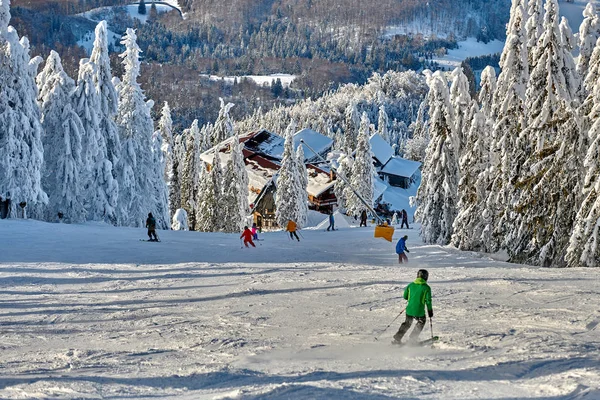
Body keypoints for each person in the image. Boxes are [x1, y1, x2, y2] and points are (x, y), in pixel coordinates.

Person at [393, 269, 433, 344]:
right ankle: (412, 339)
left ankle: (397, 339)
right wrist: (430, 311)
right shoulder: (426, 288)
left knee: (407, 323)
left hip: (409, 309)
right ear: (426, 277)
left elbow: (405, 296)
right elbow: (428, 301)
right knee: (421, 321)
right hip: (419, 311)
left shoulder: (410, 285)